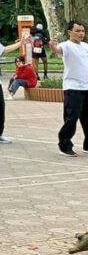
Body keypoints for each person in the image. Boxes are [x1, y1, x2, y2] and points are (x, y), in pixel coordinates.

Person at [50, 20, 88, 157]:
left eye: (83, 31)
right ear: (69, 32)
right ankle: (64, 145)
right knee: (72, 117)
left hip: (86, 87)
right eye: (78, 31)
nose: (81, 33)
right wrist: (52, 46)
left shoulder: (85, 46)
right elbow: (57, 50)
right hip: (73, 87)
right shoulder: (65, 46)